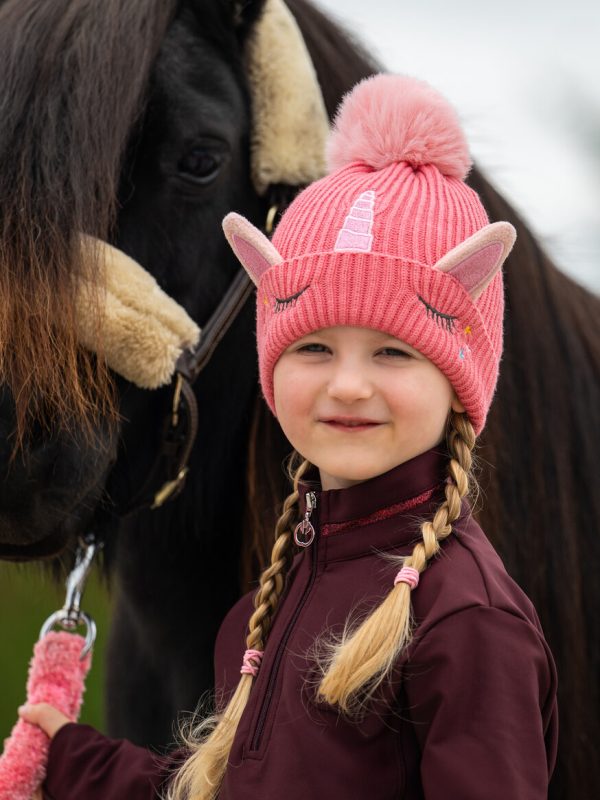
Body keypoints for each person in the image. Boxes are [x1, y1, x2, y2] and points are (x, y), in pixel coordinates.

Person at [19, 74, 558, 800]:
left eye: (393, 351)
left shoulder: (466, 623)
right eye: (314, 347)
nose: (348, 385)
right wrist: (73, 765)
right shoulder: (268, 606)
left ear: (461, 380)